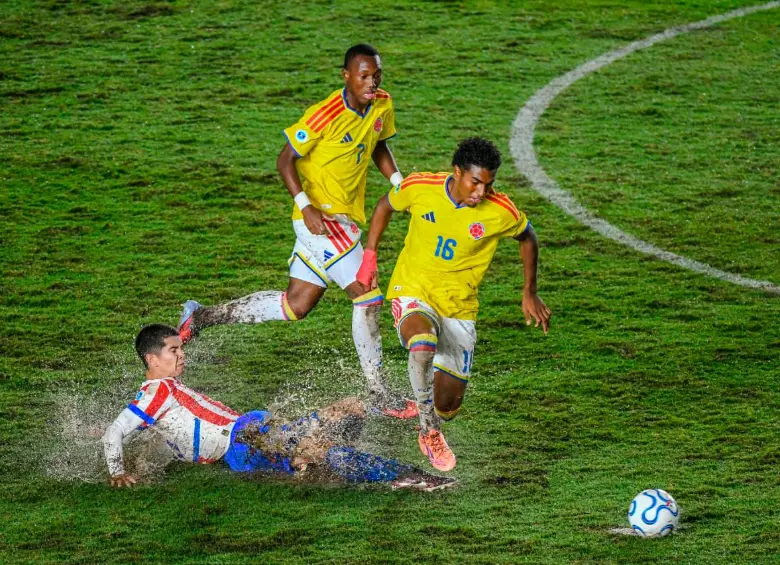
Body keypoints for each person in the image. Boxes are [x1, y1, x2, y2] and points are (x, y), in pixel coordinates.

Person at [176, 43, 415, 419]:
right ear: (347, 76)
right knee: (367, 295)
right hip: (320, 219)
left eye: (376, 75)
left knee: (295, 305)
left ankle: (201, 317)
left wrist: (398, 180)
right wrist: (307, 206)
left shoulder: (383, 103)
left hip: (343, 218)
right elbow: (284, 159)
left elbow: (377, 144)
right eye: (364, 76)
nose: (372, 83)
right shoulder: (324, 115)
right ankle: (379, 391)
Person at [355, 137, 552, 471]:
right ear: (457, 172)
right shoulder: (420, 187)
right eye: (475, 182)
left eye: (488, 185)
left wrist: (529, 290)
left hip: (460, 309)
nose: (481, 193)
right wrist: (370, 256)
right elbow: (385, 206)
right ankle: (428, 430)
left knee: (447, 406)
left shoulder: (500, 211)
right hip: (413, 291)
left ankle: (429, 411)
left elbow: (527, 236)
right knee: (422, 342)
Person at [103, 324, 455, 491]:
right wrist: (117, 470)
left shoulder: (165, 392)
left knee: (348, 411)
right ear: (152, 359)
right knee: (321, 449)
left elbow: (173, 433)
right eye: (173, 351)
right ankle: (410, 478)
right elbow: (114, 432)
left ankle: (342, 460)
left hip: (254, 430)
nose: (182, 355)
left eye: (181, 348)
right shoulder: (154, 393)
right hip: (245, 440)